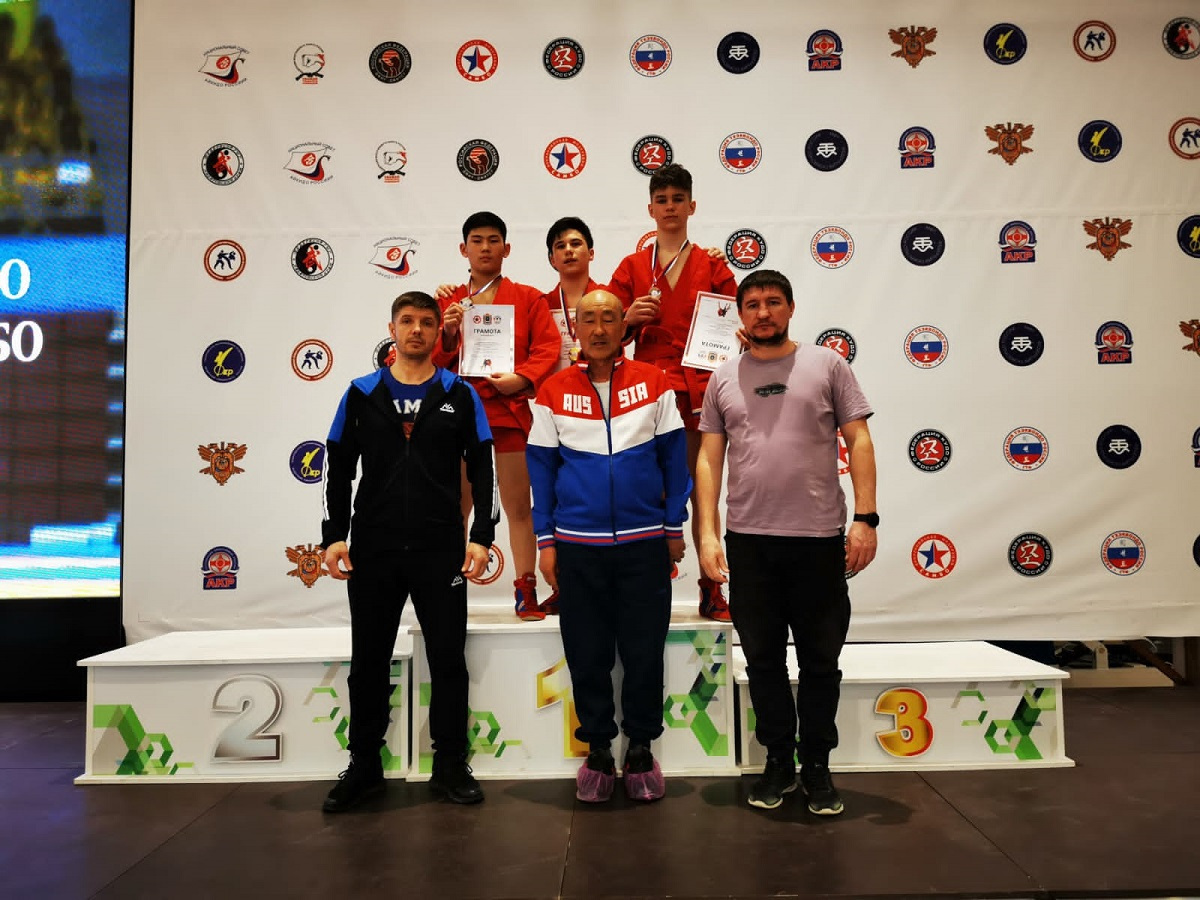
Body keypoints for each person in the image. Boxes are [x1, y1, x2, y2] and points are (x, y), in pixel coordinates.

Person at [694, 269, 878, 816]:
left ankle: (817, 765)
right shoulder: (723, 377)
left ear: (791, 308)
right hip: (750, 543)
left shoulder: (828, 365)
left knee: (821, 662)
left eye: (773, 302)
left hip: (818, 541)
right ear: (740, 314)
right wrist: (706, 533)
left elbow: (859, 440)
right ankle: (777, 760)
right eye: (752, 304)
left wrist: (865, 518)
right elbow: (709, 459)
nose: (763, 312)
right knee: (763, 661)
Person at [321, 291, 498, 812]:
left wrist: (482, 535)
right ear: (392, 329)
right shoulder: (361, 393)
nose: (417, 330)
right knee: (368, 661)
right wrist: (334, 534)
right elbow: (337, 468)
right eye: (407, 321)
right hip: (373, 549)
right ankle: (364, 766)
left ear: (440, 332)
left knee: (447, 659)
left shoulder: (459, 394)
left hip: (439, 548)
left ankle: (450, 765)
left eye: (426, 322)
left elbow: (484, 468)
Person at [527, 289, 690, 803]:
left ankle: (640, 747)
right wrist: (546, 540)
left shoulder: (655, 383)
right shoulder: (552, 391)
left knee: (643, 652)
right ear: (575, 328)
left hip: (645, 543)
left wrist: (673, 526)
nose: (599, 329)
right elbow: (541, 472)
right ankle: (598, 748)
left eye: (609, 319)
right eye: (589, 319)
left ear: (624, 326)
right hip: (577, 546)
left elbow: (675, 462)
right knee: (587, 653)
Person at [608, 163, 738, 623]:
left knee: (704, 492)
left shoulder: (713, 265)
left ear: (691, 206)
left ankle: (711, 585)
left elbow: (735, 324)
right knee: (645, 490)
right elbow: (602, 332)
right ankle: (645, 585)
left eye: (677, 199)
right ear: (650, 209)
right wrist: (628, 319)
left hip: (699, 389)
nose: (670, 207)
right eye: (661, 200)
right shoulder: (631, 267)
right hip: (645, 391)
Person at [434, 211, 562, 621]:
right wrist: (448, 332)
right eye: (477, 240)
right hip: (459, 417)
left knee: (518, 506)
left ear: (506, 249)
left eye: (493, 240)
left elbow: (548, 347)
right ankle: (448, 589)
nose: (485, 248)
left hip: (508, 414)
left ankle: (526, 587)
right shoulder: (448, 302)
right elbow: (430, 361)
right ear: (464, 249)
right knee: (457, 506)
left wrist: (522, 378)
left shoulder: (528, 298)